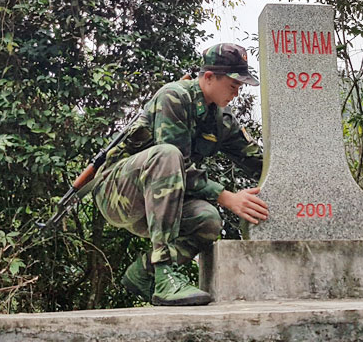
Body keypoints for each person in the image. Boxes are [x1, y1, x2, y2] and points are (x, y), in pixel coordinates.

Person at [91, 43, 268, 306]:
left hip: (160, 204)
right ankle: (164, 277)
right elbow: (179, 165)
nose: (236, 92)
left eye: (240, 86)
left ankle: (143, 273)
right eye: (233, 84)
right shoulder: (173, 97)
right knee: (168, 154)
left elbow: (258, 161)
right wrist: (227, 196)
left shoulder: (221, 120)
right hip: (118, 193)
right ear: (209, 77)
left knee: (208, 220)